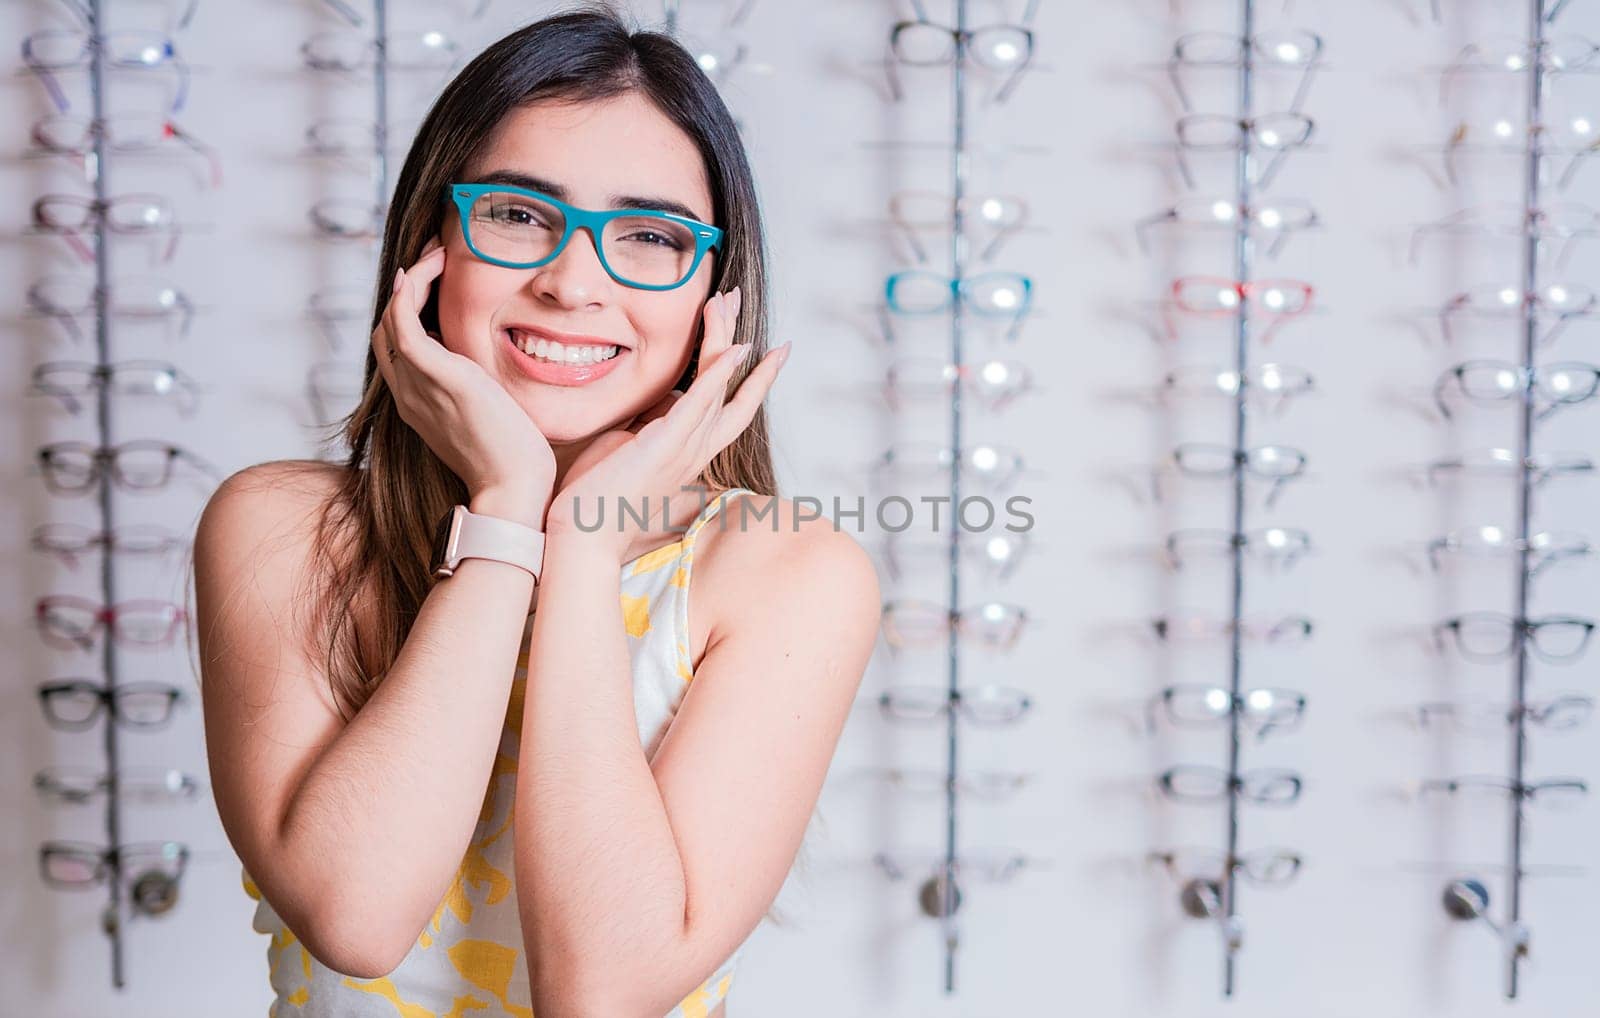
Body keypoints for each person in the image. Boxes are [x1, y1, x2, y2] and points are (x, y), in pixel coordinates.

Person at [189, 6, 881, 1015]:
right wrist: (509, 511)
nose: (571, 283)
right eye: (517, 215)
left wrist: (585, 548)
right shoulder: (287, 529)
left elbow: (599, 994)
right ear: (433, 247)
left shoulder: (782, 573)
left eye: (649, 235)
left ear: (714, 295)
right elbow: (358, 915)